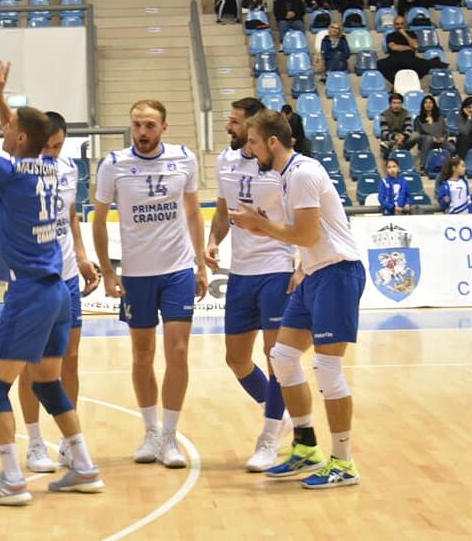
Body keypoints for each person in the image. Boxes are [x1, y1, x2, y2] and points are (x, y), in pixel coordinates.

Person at [0, 61, 104, 506]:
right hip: (57, 292)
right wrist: (3, 98)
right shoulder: (53, 168)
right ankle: (84, 467)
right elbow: (21, 136)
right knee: (48, 383)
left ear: (18, 140)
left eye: (10, 129)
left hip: (30, 292)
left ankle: (13, 480)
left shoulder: (11, 173)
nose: (6, 130)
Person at [230, 109, 366, 490]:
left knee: (327, 369)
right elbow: (305, 235)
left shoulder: (303, 173)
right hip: (314, 273)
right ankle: (306, 446)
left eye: (254, 142)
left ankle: (344, 462)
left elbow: (305, 235)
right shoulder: (287, 176)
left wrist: (261, 225)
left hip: (338, 273)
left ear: (273, 142)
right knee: (283, 358)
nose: (250, 150)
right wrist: (282, 244)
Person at [93, 100, 208, 469]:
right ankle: (150, 431)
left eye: (149, 125)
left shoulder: (184, 158)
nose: (141, 132)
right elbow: (98, 221)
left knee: (178, 351)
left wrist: (201, 264)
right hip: (136, 275)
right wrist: (108, 272)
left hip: (177, 270)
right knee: (142, 355)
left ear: (164, 127)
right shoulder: (113, 164)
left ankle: (170, 435)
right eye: (137, 125)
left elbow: (193, 211)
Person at [205, 98, 294, 472]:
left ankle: (269, 437)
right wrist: (213, 240)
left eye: (236, 122)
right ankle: (278, 414)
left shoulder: (282, 167)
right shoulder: (225, 161)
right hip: (241, 272)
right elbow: (223, 210)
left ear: (255, 127)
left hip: (276, 267)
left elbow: (301, 221)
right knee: (236, 359)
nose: (229, 127)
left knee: (277, 359)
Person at [16, 111, 99, 472]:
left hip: (66, 276)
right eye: (47, 146)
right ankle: (35, 442)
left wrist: (81, 256)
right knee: (30, 362)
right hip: (33, 279)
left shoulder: (68, 168)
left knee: (71, 358)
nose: (52, 152)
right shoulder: (19, 171)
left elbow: (71, 216)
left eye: (58, 146)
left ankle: (68, 440)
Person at [377, 15, 448, 84]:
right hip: (394, 58)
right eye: (397, 24)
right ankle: (396, 82)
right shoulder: (390, 35)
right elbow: (394, 47)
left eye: (402, 24)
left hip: (410, 59)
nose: (399, 26)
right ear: (394, 25)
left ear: (405, 24)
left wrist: (404, 34)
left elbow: (415, 45)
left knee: (426, 65)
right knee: (380, 64)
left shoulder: (412, 34)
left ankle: (412, 81)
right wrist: (409, 48)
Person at [415, 95, 453, 172]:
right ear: (423, 105)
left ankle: (447, 167)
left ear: (434, 104)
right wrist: (432, 138)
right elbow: (418, 135)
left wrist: (443, 138)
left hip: (440, 141)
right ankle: (423, 166)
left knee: (451, 147)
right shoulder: (418, 119)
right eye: (426, 103)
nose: (428, 104)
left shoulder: (440, 118)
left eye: (430, 102)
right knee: (428, 139)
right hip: (426, 142)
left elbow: (446, 132)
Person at [379, 93, 419, 159]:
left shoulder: (406, 113)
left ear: (402, 104)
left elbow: (408, 128)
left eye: (399, 103)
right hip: (391, 137)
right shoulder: (384, 115)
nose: (396, 105)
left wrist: (403, 137)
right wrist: (395, 137)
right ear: (390, 104)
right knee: (395, 147)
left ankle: (390, 145)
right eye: (394, 103)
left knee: (416, 135)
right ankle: (395, 150)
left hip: (402, 138)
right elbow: (384, 132)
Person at [456, 96, 472, 162]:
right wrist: (469, 118)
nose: (471, 109)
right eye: (469, 107)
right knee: (464, 138)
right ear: (464, 108)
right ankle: (462, 162)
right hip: (465, 139)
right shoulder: (460, 116)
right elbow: (465, 131)